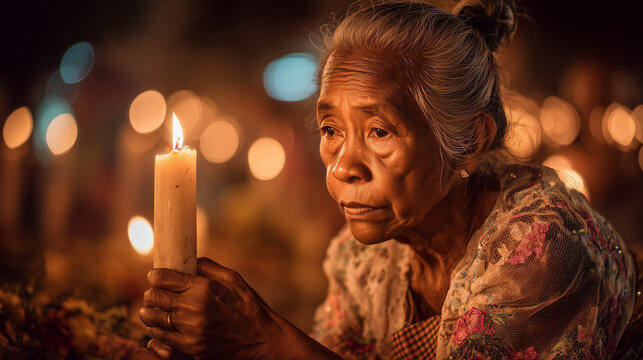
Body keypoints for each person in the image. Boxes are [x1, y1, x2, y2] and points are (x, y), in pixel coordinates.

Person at [136, 1, 639, 359]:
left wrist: (265, 341)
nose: (342, 165)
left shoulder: (537, 252)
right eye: (331, 129)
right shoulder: (364, 255)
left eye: (379, 130)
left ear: (468, 141)